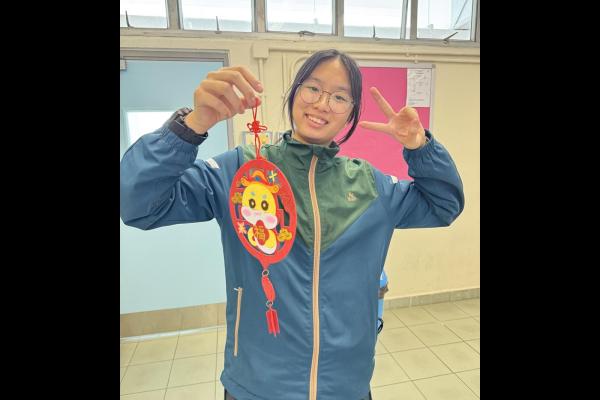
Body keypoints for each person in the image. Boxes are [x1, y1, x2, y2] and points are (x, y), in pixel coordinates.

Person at [120, 49, 464, 400]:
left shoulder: (370, 186)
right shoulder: (241, 172)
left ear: (351, 113)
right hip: (255, 386)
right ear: (294, 92)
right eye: (313, 88)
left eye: (340, 97)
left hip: (344, 387)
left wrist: (420, 147)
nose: (323, 104)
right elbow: (138, 204)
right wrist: (191, 126)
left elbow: (444, 205)